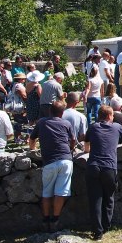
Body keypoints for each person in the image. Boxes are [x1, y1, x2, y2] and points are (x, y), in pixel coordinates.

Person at [84, 104, 122, 240]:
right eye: (113, 116)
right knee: (109, 197)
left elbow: (86, 148)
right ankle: (106, 225)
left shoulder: (93, 127)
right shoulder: (116, 127)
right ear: (109, 116)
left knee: (95, 199)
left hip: (93, 166)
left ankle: (97, 231)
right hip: (109, 167)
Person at [29, 99, 76, 232]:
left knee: (47, 192)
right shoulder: (66, 123)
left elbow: (32, 139)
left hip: (49, 161)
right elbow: (72, 140)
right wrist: (71, 149)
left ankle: (45, 219)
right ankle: (55, 219)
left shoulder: (42, 122)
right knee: (61, 192)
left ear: (50, 111)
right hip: (65, 160)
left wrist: (32, 150)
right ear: (62, 113)